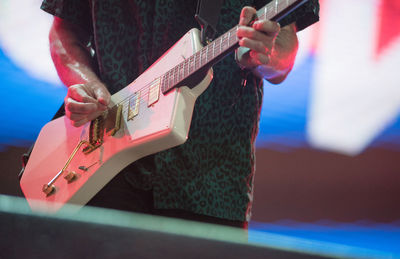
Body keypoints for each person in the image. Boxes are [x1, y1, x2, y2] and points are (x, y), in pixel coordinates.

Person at [40, 0, 319, 228]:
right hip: (102, 169)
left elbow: (284, 49)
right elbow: (64, 31)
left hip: (210, 181)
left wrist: (267, 55)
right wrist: (86, 83)